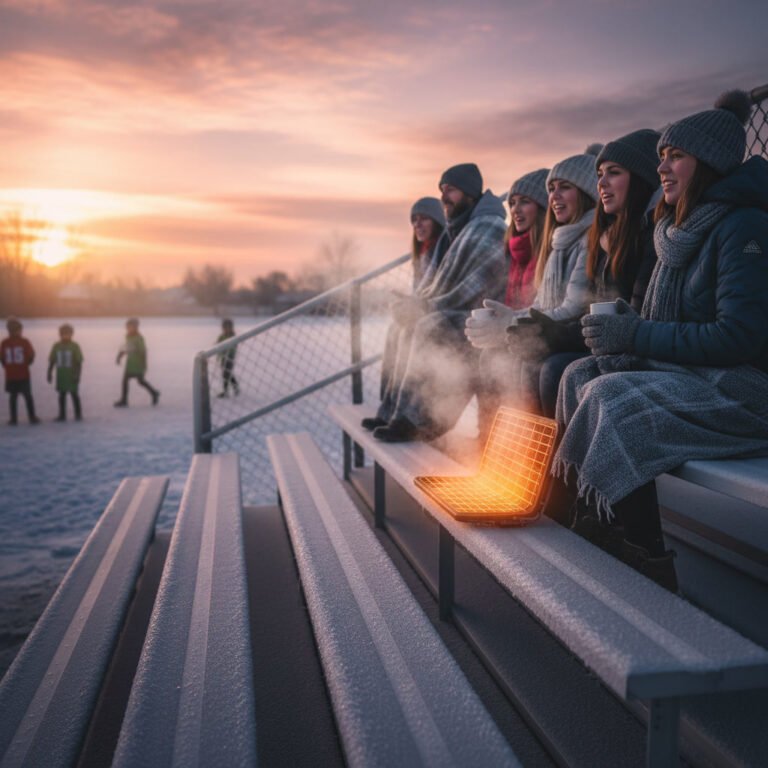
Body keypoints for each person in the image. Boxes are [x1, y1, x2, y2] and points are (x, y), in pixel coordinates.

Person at [549, 90, 768, 592]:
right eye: (663, 157)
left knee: (613, 397)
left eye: (677, 157)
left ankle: (647, 558)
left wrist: (637, 333)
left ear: (707, 164)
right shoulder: (673, 228)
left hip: (745, 390)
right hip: (694, 375)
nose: (664, 168)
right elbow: (661, 318)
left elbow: (738, 336)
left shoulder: (744, 227)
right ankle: (588, 518)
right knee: (578, 373)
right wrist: (628, 324)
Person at [370, 163, 507, 442]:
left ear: (469, 193)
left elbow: (476, 287)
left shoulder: (488, 226)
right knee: (401, 327)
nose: (445, 196)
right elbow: (447, 286)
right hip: (465, 311)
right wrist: (416, 305)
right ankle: (392, 411)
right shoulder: (463, 227)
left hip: (486, 314)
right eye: (442, 190)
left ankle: (418, 419)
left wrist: (424, 307)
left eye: (452, 190)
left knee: (429, 323)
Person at [466, 147, 600, 424]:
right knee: (492, 356)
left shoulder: (589, 238)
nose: (556, 196)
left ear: (586, 193)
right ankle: (492, 450)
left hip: (572, 336)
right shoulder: (559, 242)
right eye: (552, 189)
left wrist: (510, 323)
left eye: (565, 187)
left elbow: (572, 308)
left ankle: (534, 457)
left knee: (531, 362)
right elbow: (541, 305)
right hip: (551, 328)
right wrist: (506, 320)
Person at [534, 129, 661, 416]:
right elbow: (594, 313)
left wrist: (552, 335)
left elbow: (629, 316)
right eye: (600, 173)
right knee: (529, 359)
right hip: (608, 342)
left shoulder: (650, 236)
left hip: (635, 349)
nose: (601, 182)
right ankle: (523, 453)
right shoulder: (605, 237)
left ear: (641, 179)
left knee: (554, 368)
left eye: (613, 172)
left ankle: (554, 457)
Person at [363, 198, 445, 430]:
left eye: (424, 219)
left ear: (438, 221)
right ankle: (389, 407)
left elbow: (438, 294)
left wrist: (414, 306)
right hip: (426, 314)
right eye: (414, 221)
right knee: (395, 329)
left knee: (408, 331)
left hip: (440, 319)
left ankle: (406, 414)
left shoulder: (444, 249)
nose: (418, 225)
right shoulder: (422, 254)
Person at [1, 317, 40, 425]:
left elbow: (2, 359)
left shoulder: (5, 342)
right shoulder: (24, 342)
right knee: (25, 396)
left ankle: (15, 419)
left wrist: (8, 367)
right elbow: (31, 355)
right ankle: (30, 417)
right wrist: (27, 363)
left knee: (14, 397)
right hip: (22, 374)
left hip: (12, 375)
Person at [114, 318, 160, 407]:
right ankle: (124, 400)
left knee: (140, 381)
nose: (128, 328)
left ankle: (154, 393)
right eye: (127, 326)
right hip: (130, 363)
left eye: (130, 326)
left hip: (138, 364)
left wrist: (143, 364)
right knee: (125, 381)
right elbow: (126, 348)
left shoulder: (139, 338)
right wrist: (119, 356)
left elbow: (143, 352)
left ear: (135, 327)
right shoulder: (128, 336)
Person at [47, 323, 84, 421]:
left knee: (74, 395)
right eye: (63, 334)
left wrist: (77, 375)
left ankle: (78, 414)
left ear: (72, 334)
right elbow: (52, 361)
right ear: (60, 334)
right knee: (62, 396)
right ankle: (62, 415)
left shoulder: (75, 346)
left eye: (67, 334)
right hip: (61, 376)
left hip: (71, 376)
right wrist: (49, 373)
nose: (65, 336)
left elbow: (79, 362)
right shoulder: (56, 346)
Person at [216, 318, 240, 398]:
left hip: (230, 358)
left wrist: (228, 353)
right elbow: (217, 346)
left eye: (228, 327)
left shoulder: (232, 336)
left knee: (228, 374)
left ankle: (231, 389)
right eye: (225, 327)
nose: (226, 329)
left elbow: (234, 347)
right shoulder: (221, 336)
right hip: (223, 358)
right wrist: (219, 356)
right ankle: (229, 390)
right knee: (225, 374)